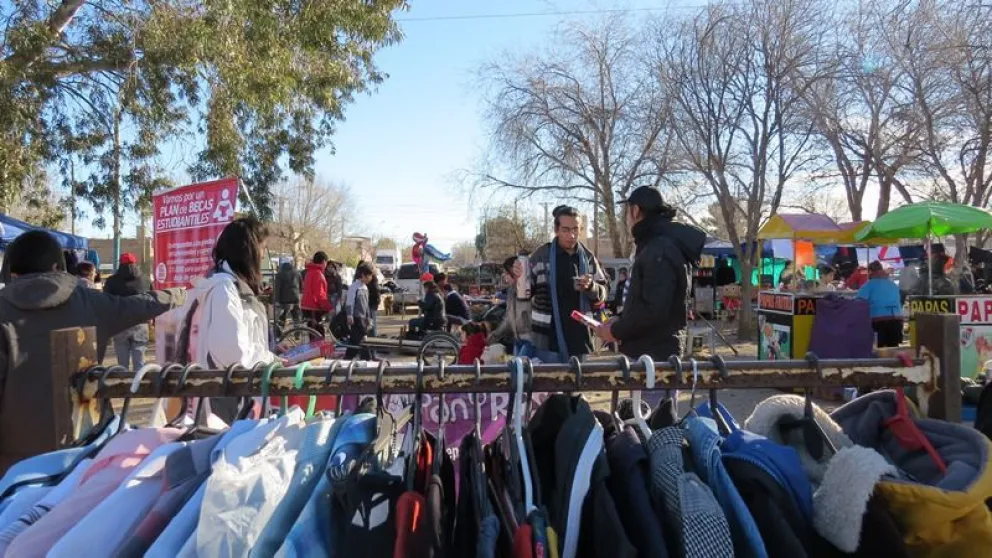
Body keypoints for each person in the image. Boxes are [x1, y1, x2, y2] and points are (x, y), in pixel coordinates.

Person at [0, 231, 184, 464]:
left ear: (13, 271)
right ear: (58, 266)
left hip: (14, 463)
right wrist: (180, 294)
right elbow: (140, 305)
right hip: (83, 452)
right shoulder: (89, 302)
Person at [177, 217, 280, 423]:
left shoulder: (233, 287)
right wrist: (269, 358)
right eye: (262, 248)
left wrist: (271, 349)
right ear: (249, 250)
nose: (262, 255)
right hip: (231, 400)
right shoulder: (224, 289)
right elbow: (233, 351)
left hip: (240, 393)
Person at [594, 186, 705, 361]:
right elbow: (644, 301)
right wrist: (620, 319)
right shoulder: (654, 244)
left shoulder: (659, 249)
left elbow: (653, 310)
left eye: (626, 212)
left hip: (654, 355)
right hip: (648, 351)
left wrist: (616, 331)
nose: (626, 219)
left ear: (635, 211)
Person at [526, 205, 608, 362]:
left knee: (579, 378)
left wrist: (591, 287)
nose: (572, 235)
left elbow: (603, 293)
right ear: (556, 230)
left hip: (581, 339)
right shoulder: (541, 256)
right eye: (566, 230)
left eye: (576, 229)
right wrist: (519, 275)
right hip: (548, 339)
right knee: (550, 378)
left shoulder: (588, 258)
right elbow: (523, 292)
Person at [103, 253, 152, 369]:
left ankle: (124, 378)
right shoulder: (145, 280)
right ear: (135, 263)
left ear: (120, 264)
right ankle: (138, 380)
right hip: (140, 322)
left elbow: (106, 302)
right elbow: (151, 301)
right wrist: (151, 318)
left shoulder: (111, 281)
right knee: (139, 362)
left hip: (120, 324)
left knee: (122, 364)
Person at [487, 255, 533, 355]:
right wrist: (495, 335)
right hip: (517, 339)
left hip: (530, 340)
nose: (505, 276)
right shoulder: (511, 290)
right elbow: (509, 318)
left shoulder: (530, 288)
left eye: (506, 273)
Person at [857, 261, 904, 348]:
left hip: (878, 321)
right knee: (893, 349)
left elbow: (859, 303)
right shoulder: (893, 284)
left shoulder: (868, 285)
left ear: (870, 272)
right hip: (896, 320)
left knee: (878, 349)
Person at [344, 263, 376, 359]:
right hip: (356, 318)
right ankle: (366, 358)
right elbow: (349, 302)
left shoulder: (365, 287)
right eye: (369, 276)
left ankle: (350, 357)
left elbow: (366, 305)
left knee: (356, 340)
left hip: (363, 318)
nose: (371, 278)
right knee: (361, 339)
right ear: (363, 275)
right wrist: (349, 315)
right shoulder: (354, 287)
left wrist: (368, 318)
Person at [301, 251, 334, 335]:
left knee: (313, 333)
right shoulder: (318, 274)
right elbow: (320, 295)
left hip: (307, 306)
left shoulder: (309, 272)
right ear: (323, 261)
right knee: (318, 335)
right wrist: (329, 308)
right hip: (314, 307)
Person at [272, 258, 302, 329]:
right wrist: (299, 294)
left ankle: (280, 331)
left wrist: (276, 299)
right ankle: (297, 331)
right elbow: (301, 285)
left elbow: (277, 288)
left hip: (284, 299)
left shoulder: (280, 274)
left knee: (283, 315)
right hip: (295, 297)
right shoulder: (297, 273)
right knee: (296, 315)